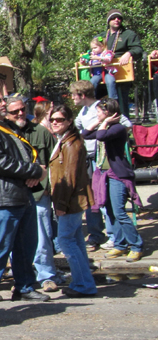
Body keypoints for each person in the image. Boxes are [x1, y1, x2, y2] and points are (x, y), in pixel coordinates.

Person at [0, 86, 50, 303]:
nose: (3, 104)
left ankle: (24, 287)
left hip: (21, 194)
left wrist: (34, 172)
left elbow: (23, 156)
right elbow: (1, 164)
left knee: (26, 244)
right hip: (3, 197)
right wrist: (36, 171)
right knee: (1, 243)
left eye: (3, 100)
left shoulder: (7, 127)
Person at [70, 80, 133, 251]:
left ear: (82, 95)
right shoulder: (83, 111)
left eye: (74, 95)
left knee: (106, 199)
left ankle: (114, 237)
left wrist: (108, 134)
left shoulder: (103, 107)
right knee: (93, 198)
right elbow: (80, 131)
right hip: (87, 157)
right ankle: (96, 235)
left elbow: (126, 123)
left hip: (103, 160)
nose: (72, 98)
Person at [6, 94, 61, 292]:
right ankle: (21, 278)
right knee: (16, 240)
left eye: (23, 109)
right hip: (13, 195)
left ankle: (46, 275)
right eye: (15, 111)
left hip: (39, 194)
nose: (21, 113)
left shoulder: (41, 132)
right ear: (6, 113)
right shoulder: (3, 134)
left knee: (42, 238)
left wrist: (40, 176)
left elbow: (54, 163)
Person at [80, 98, 143, 262]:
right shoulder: (106, 127)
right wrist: (98, 122)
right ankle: (120, 245)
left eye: (99, 111)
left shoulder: (118, 128)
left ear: (108, 113)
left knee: (120, 212)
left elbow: (101, 137)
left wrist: (105, 121)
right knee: (109, 211)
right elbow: (85, 134)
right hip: (103, 174)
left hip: (117, 175)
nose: (96, 114)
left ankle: (136, 245)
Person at [47, 105, 97, 297]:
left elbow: (70, 177)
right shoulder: (64, 140)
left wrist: (61, 205)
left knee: (66, 241)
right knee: (75, 241)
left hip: (71, 202)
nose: (55, 123)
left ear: (69, 121)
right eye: (53, 120)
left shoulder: (71, 144)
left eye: (59, 120)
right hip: (71, 201)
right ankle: (83, 282)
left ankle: (84, 284)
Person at [103, 9, 143, 115]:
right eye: (114, 17)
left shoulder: (128, 34)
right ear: (108, 20)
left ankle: (123, 125)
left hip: (122, 72)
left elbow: (138, 49)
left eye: (119, 18)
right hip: (103, 73)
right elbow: (93, 49)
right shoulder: (102, 36)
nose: (117, 19)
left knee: (121, 100)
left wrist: (129, 53)